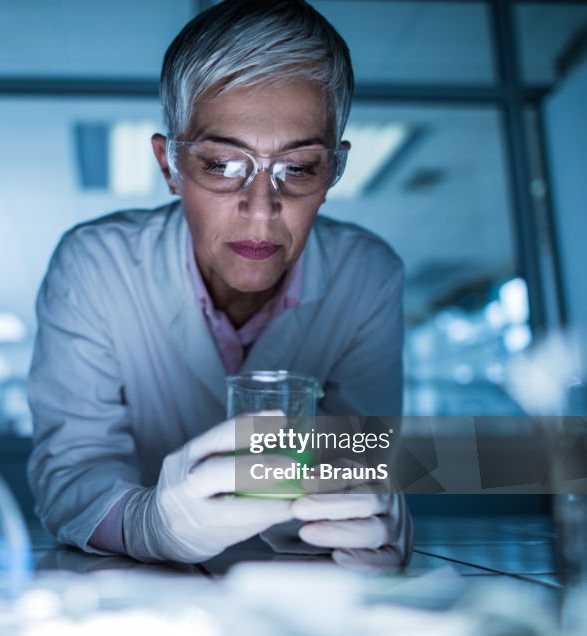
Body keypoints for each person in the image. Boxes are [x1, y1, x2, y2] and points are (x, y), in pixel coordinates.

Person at [27, 0, 411, 570]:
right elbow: (72, 472)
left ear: (333, 171)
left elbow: (358, 461)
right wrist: (149, 524)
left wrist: (378, 513)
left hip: (297, 595)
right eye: (222, 165)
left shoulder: (368, 276)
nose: (261, 210)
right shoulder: (94, 267)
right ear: (169, 166)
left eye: (299, 167)